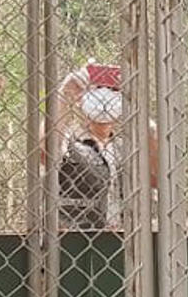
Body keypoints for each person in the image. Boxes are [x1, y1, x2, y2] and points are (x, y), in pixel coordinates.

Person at [48, 63, 160, 230]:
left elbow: (158, 178)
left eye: (113, 91)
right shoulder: (69, 141)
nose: (105, 97)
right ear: (82, 98)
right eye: (98, 89)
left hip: (125, 238)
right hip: (78, 238)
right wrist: (64, 93)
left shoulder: (128, 148)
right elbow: (46, 150)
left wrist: (139, 109)